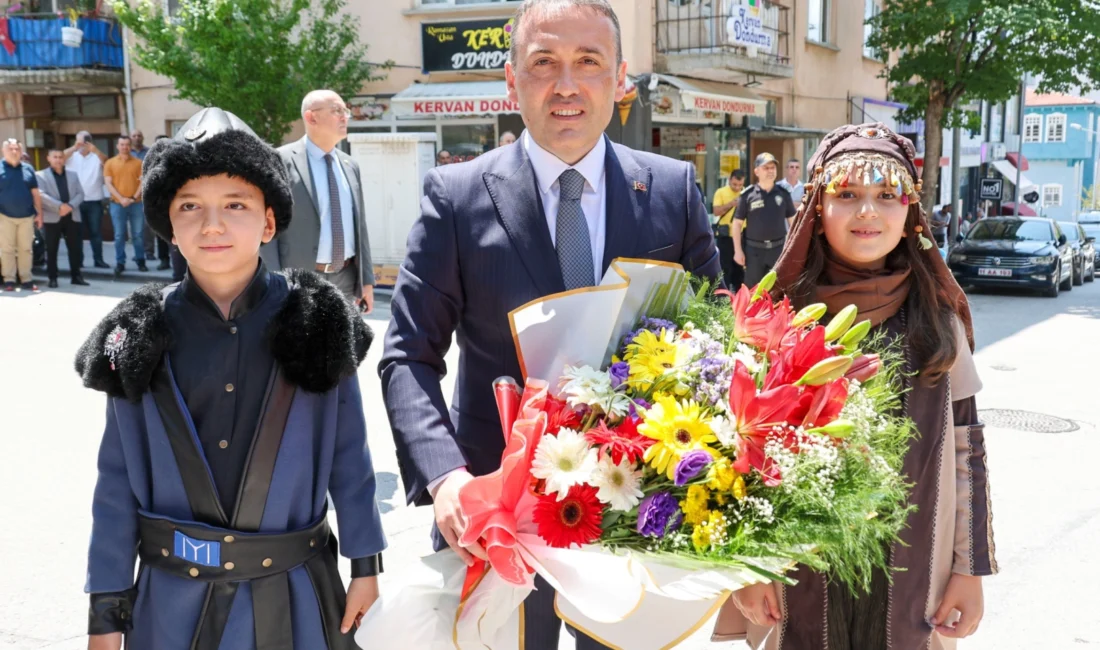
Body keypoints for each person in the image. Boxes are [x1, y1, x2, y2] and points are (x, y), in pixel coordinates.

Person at [380, 2, 720, 648]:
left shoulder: (674, 194)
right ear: (512, 82)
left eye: (588, 62)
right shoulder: (455, 199)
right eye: (544, 64)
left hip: (636, 520)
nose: (566, 85)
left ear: (620, 80)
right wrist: (448, 478)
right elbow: (406, 357)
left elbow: (717, 348)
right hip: (495, 522)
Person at [76, 107, 386, 650]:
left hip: (293, 594)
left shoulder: (317, 318)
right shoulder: (136, 330)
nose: (211, 224)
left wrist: (366, 564)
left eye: (235, 204)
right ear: (169, 225)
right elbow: (117, 478)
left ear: (268, 221)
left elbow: (348, 453)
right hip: (172, 603)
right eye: (190, 206)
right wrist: (107, 610)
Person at [714, 122, 996, 650]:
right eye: (847, 194)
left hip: (916, 572)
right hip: (794, 570)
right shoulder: (775, 319)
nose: (868, 211)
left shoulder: (936, 321)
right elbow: (733, 454)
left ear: (910, 213)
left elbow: (967, 451)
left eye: (887, 196)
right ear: (818, 211)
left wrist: (969, 569)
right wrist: (745, 568)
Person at [260, 90, 375, 312]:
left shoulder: (350, 165)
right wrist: (274, 282)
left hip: (345, 279)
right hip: (299, 280)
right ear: (311, 117)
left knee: (342, 346)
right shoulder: (281, 161)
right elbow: (266, 228)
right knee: (301, 346)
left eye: (345, 111)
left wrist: (366, 281)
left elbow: (360, 227)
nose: (345, 117)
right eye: (336, 111)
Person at [732, 152, 796, 287]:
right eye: (766, 168)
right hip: (754, 252)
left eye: (773, 168)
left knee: (778, 289)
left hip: (778, 250)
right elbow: (737, 224)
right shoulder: (747, 195)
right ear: (756, 171)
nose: (770, 171)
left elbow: (794, 223)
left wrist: (792, 248)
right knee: (753, 292)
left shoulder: (783, 194)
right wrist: (738, 251)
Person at [36, 148, 89, 288]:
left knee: (75, 248)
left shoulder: (73, 175)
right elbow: (41, 195)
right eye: (55, 157)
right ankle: (52, 278)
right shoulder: (40, 175)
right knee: (52, 249)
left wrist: (70, 206)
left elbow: (80, 194)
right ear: (48, 158)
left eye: (60, 157)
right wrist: (60, 206)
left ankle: (76, 276)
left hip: (72, 216)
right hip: (52, 217)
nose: (58, 159)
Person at [0, 137, 43, 292]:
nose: (14, 151)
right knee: (7, 249)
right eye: (10, 148)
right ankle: (9, 280)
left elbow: (36, 194)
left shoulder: (28, 169)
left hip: (26, 216)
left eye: (17, 149)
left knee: (26, 249)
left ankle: (26, 279)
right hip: (4, 216)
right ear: (3, 151)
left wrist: (40, 214)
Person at [64, 131, 111, 269]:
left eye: (83, 142)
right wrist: (74, 147)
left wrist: (95, 150)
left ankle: (98, 260)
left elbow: (107, 162)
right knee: (77, 233)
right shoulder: (72, 157)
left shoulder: (96, 157)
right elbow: (60, 156)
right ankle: (78, 261)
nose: (81, 145)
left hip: (94, 202)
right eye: (78, 142)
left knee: (96, 233)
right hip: (76, 202)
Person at [103, 135, 147, 276]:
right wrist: (121, 198)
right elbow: (108, 183)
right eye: (122, 144)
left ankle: (141, 261)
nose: (124, 147)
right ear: (118, 146)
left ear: (130, 146)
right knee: (119, 235)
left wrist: (133, 198)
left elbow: (143, 181)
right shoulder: (110, 163)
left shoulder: (139, 163)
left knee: (138, 235)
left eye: (127, 144)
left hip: (136, 204)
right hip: (117, 204)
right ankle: (120, 262)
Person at [132, 129, 171, 271]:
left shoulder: (177, 159)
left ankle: (180, 261)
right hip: (157, 201)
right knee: (161, 233)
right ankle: (164, 260)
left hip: (173, 201)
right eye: (158, 144)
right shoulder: (149, 162)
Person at [712, 169, 747, 289]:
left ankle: (740, 296)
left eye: (740, 185)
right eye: (734, 184)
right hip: (726, 236)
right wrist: (731, 204)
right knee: (725, 268)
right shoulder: (721, 192)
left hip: (742, 235)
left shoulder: (746, 193)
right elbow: (716, 212)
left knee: (740, 269)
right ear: (729, 180)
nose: (737, 188)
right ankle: (725, 295)